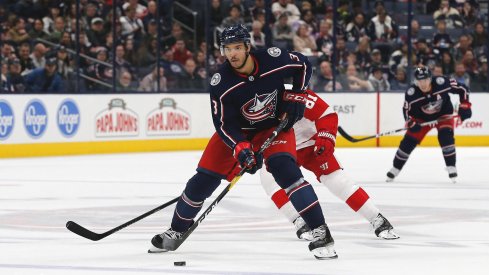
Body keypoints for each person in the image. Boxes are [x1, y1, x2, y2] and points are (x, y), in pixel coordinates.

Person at [148, 24, 338, 259]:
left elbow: (303, 64)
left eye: (237, 47)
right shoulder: (221, 82)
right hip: (239, 132)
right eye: (227, 49)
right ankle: (176, 231)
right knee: (201, 183)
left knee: (285, 171)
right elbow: (224, 125)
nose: (232, 54)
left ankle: (320, 231)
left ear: (248, 46)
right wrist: (242, 149)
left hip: (273, 128)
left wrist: (297, 96)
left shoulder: (272, 58)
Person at [261, 85, 399, 240]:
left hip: (310, 143)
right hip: (281, 146)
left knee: (336, 179)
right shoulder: (249, 96)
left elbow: (327, 115)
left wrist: (326, 137)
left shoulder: (292, 92)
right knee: (268, 180)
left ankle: (377, 219)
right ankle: (300, 222)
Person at [386, 67, 472, 183]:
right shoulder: (411, 93)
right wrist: (411, 122)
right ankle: (396, 168)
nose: (423, 84)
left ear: (430, 79)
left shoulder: (442, 82)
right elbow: (406, 110)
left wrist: (465, 105)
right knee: (408, 142)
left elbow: (462, 88)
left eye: (425, 80)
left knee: (446, 136)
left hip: (443, 115)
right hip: (421, 119)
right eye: (419, 81)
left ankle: (451, 166)